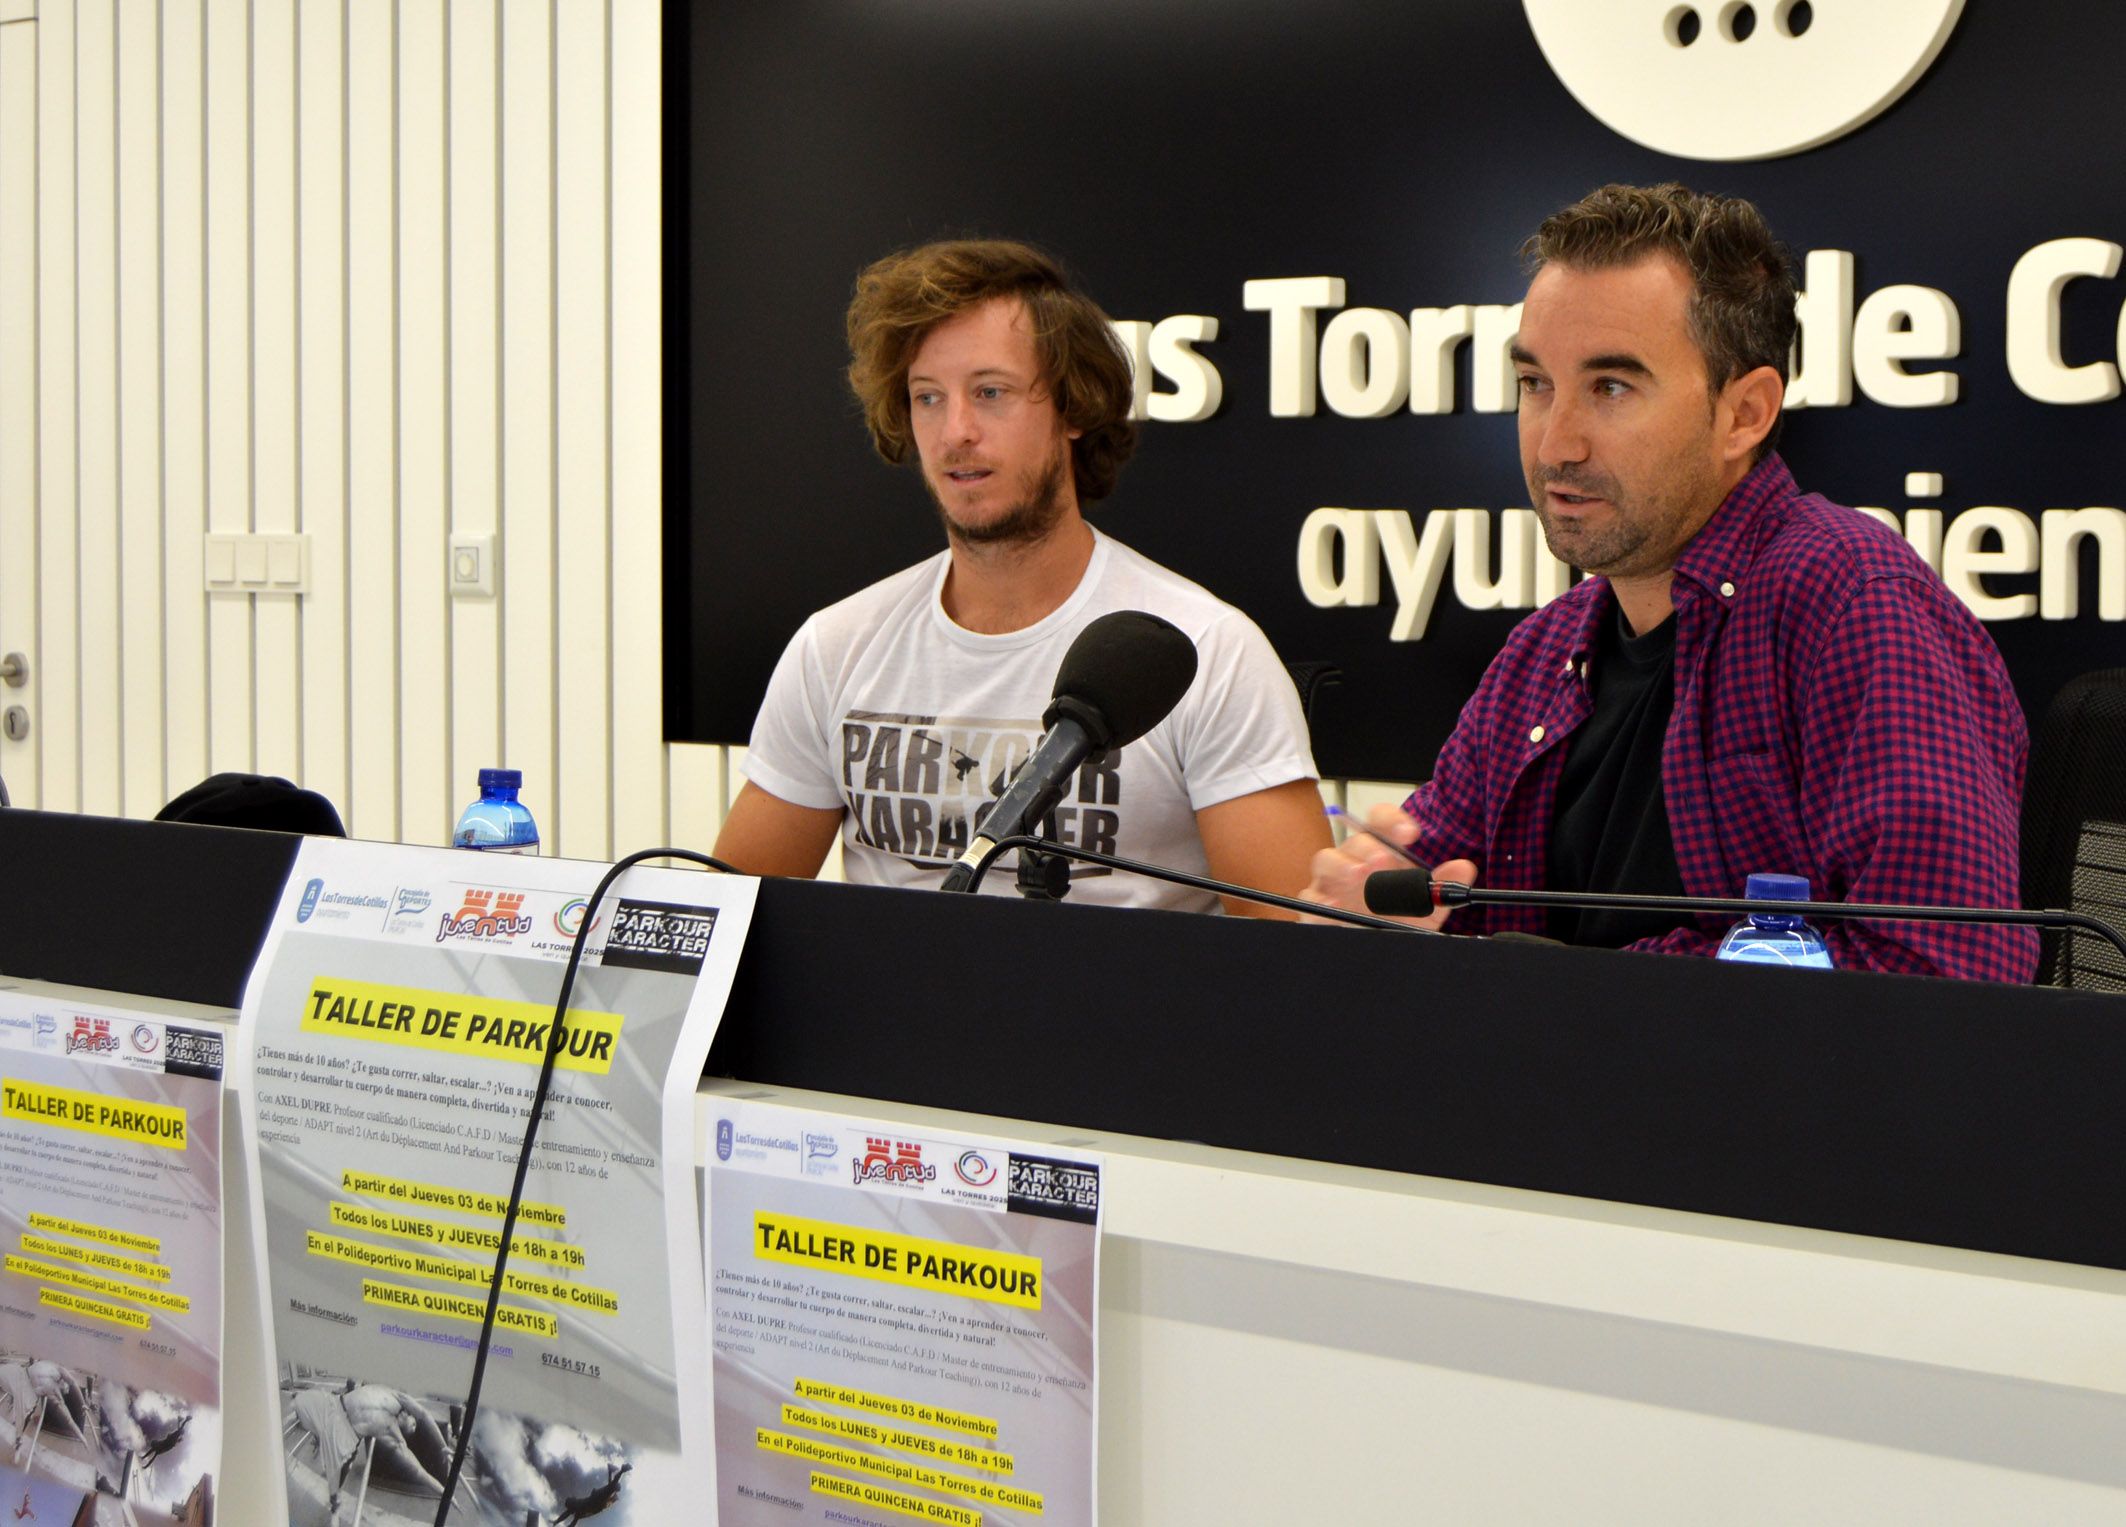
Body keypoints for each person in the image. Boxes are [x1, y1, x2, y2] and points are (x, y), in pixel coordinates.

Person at [1305, 183, 2035, 982]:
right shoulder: (1540, 652)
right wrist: (1370, 902)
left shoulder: (1851, 605)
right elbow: (1425, 878)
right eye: (1535, 384)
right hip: (1540, 1097)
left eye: (1611, 388)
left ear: (1745, 413)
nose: (1556, 444)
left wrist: (1580, 990)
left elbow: (1947, 966)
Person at [715, 239, 1329, 914]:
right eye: (927, 397)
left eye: (990, 392)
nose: (956, 431)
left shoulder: (1206, 650)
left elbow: (1291, 950)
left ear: (1072, 408)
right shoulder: (833, 648)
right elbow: (728, 918)